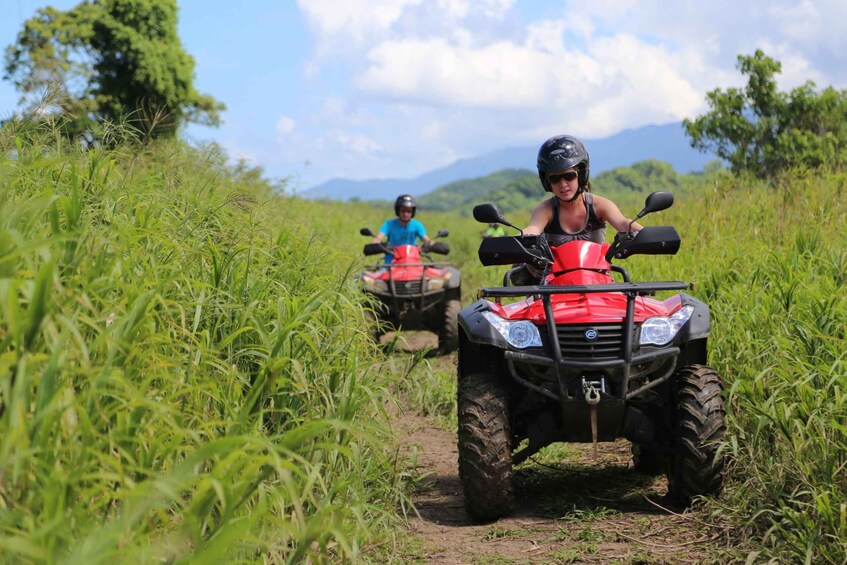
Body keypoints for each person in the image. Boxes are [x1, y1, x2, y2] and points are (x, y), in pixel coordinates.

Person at [513, 134, 644, 284]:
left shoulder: (599, 205)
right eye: (555, 179)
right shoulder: (546, 209)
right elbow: (533, 228)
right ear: (547, 181)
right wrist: (516, 241)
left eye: (569, 176)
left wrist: (647, 234)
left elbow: (622, 223)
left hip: (597, 279)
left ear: (581, 175)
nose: (562, 184)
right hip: (555, 283)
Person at [372, 194, 433, 264]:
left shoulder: (417, 225)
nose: (405, 214)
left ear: (413, 212)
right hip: (391, 264)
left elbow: (426, 240)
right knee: (377, 274)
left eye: (409, 211)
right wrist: (377, 243)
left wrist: (433, 244)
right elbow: (378, 238)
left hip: (412, 263)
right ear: (398, 211)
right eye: (403, 211)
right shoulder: (388, 224)